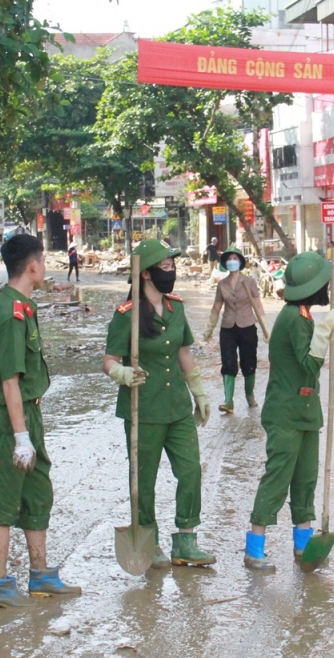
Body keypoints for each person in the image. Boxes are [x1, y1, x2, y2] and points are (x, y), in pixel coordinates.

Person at [101, 238, 216, 568]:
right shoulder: (127, 315)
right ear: (147, 274)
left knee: (191, 469)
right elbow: (108, 360)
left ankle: (186, 539)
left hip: (177, 406)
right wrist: (122, 372)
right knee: (143, 478)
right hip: (143, 408)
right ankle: (148, 537)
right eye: (165, 268)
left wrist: (199, 392)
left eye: (172, 267)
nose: (172, 272)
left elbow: (184, 352)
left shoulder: (176, 307)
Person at [0, 234, 81, 607]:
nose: (46, 267)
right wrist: (20, 436)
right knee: (5, 496)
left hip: (28, 412)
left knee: (37, 490)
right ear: (33, 265)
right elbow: (9, 380)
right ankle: (0, 582)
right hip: (11, 417)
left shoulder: (24, 306)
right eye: (43, 259)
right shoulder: (9, 312)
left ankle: (40, 575)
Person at [241, 252, 334, 572]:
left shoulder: (303, 315)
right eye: (324, 283)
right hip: (286, 413)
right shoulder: (295, 319)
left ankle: (303, 544)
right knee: (278, 478)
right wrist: (324, 333)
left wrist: (321, 329)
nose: (327, 288)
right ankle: (254, 547)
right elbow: (310, 364)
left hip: (305, 412)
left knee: (306, 479)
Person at [204, 247, 269, 414]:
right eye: (229, 259)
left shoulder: (249, 282)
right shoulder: (222, 284)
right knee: (228, 363)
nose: (232, 261)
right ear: (226, 263)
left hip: (247, 326)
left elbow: (258, 305)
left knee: (249, 362)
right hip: (228, 328)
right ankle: (228, 400)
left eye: (235, 258)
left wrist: (266, 329)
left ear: (240, 262)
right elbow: (216, 307)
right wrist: (209, 328)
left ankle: (250, 395)